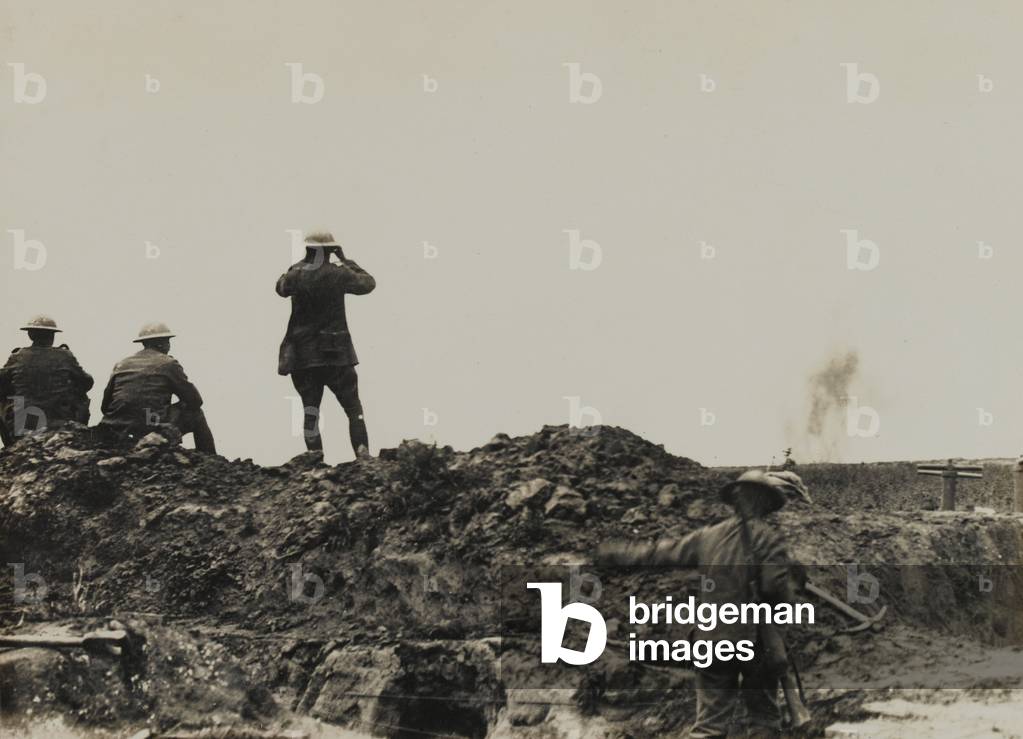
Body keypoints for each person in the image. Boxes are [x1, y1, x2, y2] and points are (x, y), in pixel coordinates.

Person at [598, 470, 811, 738]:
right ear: (768, 503)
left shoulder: (707, 537)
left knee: (709, 724)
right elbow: (774, 589)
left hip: (711, 641)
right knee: (764, 719)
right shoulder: (770, 540)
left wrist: (620, 555)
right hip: (756, 643)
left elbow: (663, 553)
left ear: (735, 501)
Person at [277, 231, 376, 459]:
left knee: (311, 411)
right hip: (337, 354)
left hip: (303, 357)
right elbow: (368, 283)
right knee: (353, 409)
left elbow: (280, 287)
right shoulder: (339, 274)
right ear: (331, 250)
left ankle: (315, 459)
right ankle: (363, 457)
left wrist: (299, 264)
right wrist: (345, 259)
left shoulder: (296, 274)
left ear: (307, 249)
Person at [99, 322, 216, 453]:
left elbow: (105, 406)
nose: (169, 345)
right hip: (148, 427)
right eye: (167, 341)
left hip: (113, 427)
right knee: (196, 413)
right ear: (162, 343)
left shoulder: (121, 364)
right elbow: (195, 401)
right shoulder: (168, 363)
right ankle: (210, 460)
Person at [0, 315, 94, 445]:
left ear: (30, 335)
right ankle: (75, 433)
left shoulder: (17, 357)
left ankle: (11, 443)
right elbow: (87, 382)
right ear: (52, 336)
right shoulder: (65, 355)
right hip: (61, 421)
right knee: (81, 395)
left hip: (26, 424)